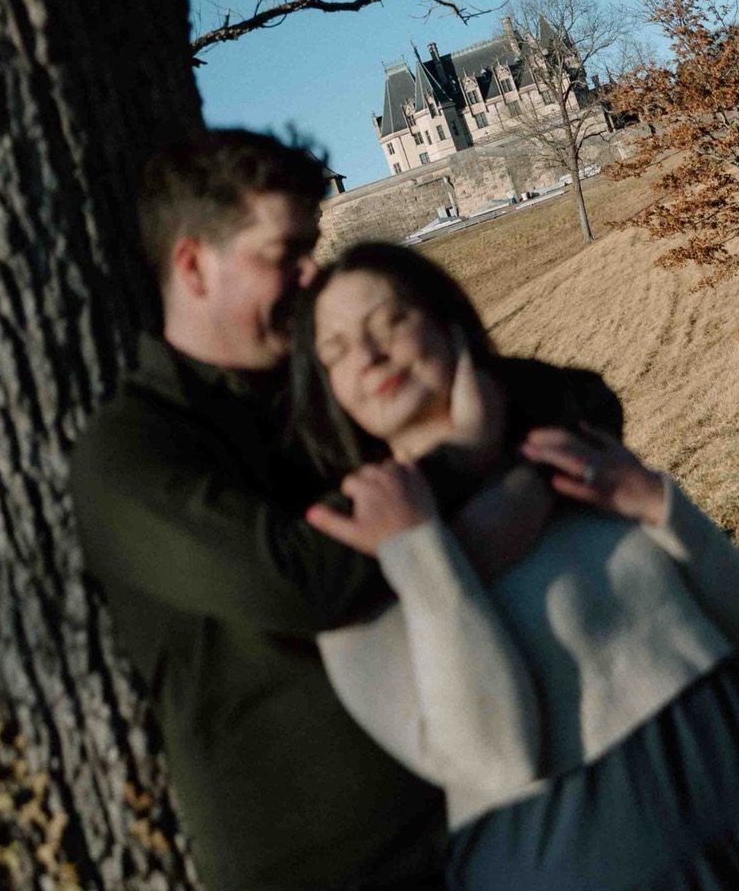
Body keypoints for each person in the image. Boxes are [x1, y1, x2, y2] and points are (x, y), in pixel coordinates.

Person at [294, 242, 739, 891]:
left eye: (390, 321)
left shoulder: (568, 455)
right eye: (337, 350)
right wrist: (421, 557)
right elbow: (496, 757)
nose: (370, 356)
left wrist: (656, 504)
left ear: (447, 323)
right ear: (328, 392)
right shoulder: (352, 565)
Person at [68, 131, 554, 891]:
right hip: (332, 871)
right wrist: (462, 470)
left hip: (493, 818)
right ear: (193, 264)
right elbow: (298, 583)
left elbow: (569, 402)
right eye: (283, 255)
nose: (310, 276)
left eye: (312, 248)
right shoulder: (130, 451)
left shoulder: (325, 386)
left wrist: (498, 477)